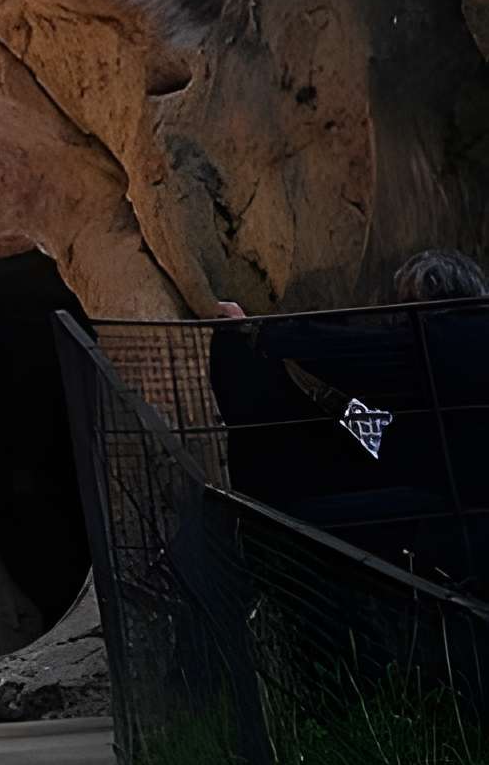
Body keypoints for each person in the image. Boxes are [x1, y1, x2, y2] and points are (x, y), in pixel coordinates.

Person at [208, 251, 489, 585]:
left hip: (449, 524)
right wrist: (341, 410)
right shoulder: (463, 351)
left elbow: (364, 354)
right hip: (452, 507)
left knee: (302, 525)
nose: (396, 320)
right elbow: (401, 436)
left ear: (435, 301)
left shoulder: (450, 341)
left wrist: (260, 332)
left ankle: (266, 558)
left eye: (406, 307)